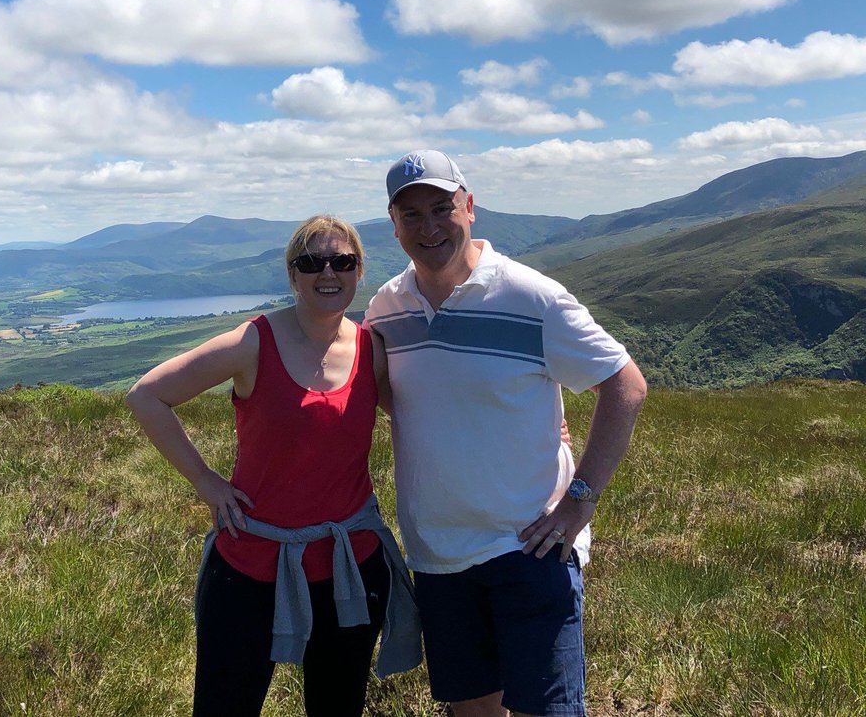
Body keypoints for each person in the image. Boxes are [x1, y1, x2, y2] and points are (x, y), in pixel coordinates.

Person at [365, 150, 648, 717]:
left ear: (469, 207)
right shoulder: (387, 308)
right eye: (411, 214)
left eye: (441, 208)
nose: (429, 227)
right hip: (439, 554)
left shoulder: (532, 297)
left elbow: (626, 386)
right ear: (393, 225)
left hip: (530, 547)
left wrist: (578, 505)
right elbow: (400, 400)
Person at [126, 215, 421, 717]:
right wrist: (205, 481)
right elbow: (147, 396)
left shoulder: (372, 349)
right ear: (292, 274)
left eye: (342, 261)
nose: (328, 272)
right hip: (252, 561)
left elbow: (425, 416)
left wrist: (546, 425)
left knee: (337, 707)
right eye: (311, 262)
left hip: (347, 561)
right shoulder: (253, 342)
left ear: (358, 272)